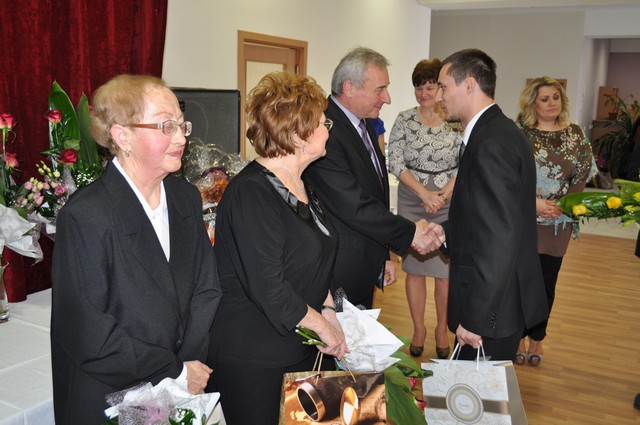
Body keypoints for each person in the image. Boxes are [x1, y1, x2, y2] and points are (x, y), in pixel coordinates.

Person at [50, 75, 222, 424]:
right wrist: (174, 369)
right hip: (113, 395)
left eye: (181, 125)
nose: (181, 137)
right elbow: (89, 334)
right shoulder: (86, 216)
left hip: (181, 386)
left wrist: (188, 367)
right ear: (122, 136)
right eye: (165, 126)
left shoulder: (185, 198)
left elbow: (206, 289)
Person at [207, 71, 349, 425]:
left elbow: (313, 263)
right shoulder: (252, 193)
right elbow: (269, 287)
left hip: (300, 344)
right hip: (257, 357)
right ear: (298, 134)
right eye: (323, 122)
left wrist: (328, 309)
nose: (328, 129)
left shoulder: (300, 184)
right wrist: (323, 327)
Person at [426, 48, 548, 361]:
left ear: (469, 85)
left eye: (443, 87)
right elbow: (490, 218)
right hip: (500, 303)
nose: (438, 97)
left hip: (490, 314)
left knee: (471, 393)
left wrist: (476, 318)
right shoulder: (497, 131)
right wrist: (448, 232)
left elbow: (499, 239)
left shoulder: (490, 142)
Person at [305, 47, 437, 309]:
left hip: (364, 261)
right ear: (349, 87)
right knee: (339, 333)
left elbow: (375, 194)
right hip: (338, 267)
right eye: (380, 90)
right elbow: (354, 205)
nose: (387, 98)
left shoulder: (362, 123)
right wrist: (411, 232)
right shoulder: (326, 131)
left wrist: (382, 254)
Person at [515, 76, 597, 366]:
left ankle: (538, 337)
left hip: (559, 223)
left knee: (547, 282)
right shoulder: (520, 133)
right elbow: (510, 173)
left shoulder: (575, 134)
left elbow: (582, 173)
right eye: (544, 99)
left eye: (556, 97)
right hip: (523, 219)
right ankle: (519, 336)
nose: (551, 103)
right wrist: (533, 204)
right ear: (532, 104)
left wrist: (563, 205)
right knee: (520, 282)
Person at [387, 58, 463, 359]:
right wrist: (424, 193)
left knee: (444, 273)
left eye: (430, 87)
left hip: (447, 201)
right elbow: (395, 161)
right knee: (415, 271)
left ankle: (442, 330)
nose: (424, 94)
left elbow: (467, 160)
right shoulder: (404, 119)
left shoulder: (454, 120)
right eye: (418, 88)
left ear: (440, 88)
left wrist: (443, 193)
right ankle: (418, 330)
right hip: (412, 201)